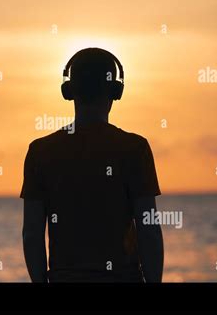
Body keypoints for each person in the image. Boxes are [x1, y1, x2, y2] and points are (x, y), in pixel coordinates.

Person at [21, 48, 163, 282]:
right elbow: (148, 231)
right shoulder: (134, 148)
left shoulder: (40, 151)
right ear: (116, 91)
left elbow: (32, 234)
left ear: (69, 91)